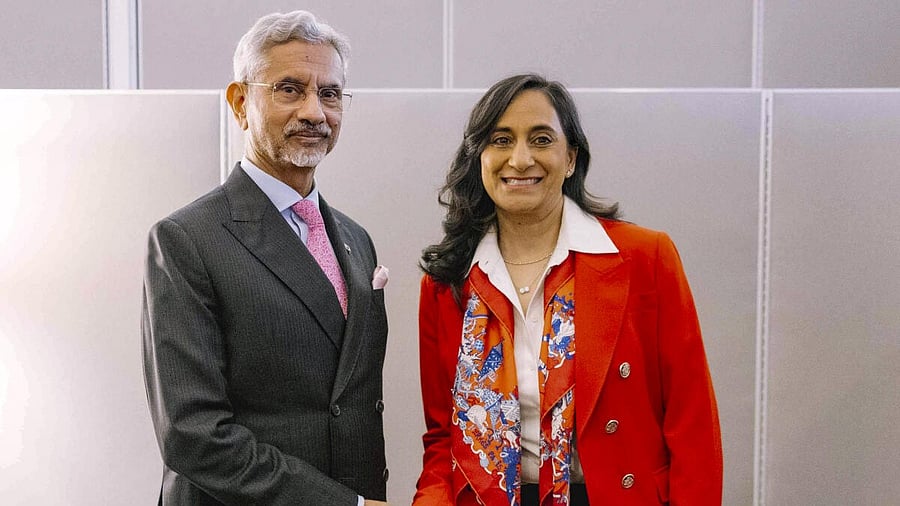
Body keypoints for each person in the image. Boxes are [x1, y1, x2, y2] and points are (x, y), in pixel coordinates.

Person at [414, 74, 722, 505]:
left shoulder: (645, 258)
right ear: (479, 156)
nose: (520, 159)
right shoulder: (447, 282)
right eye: (501, 140)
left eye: (541, 139)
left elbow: (693, 427)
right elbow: (444, 437)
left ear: (571, 158)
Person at [142, 11, 389, 505]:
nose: (315, 112)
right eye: (290, 89)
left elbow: (349, 403)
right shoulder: (187, 239)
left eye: (331, 93)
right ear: (240, 102)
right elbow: (193, 435)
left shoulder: (356, 240)